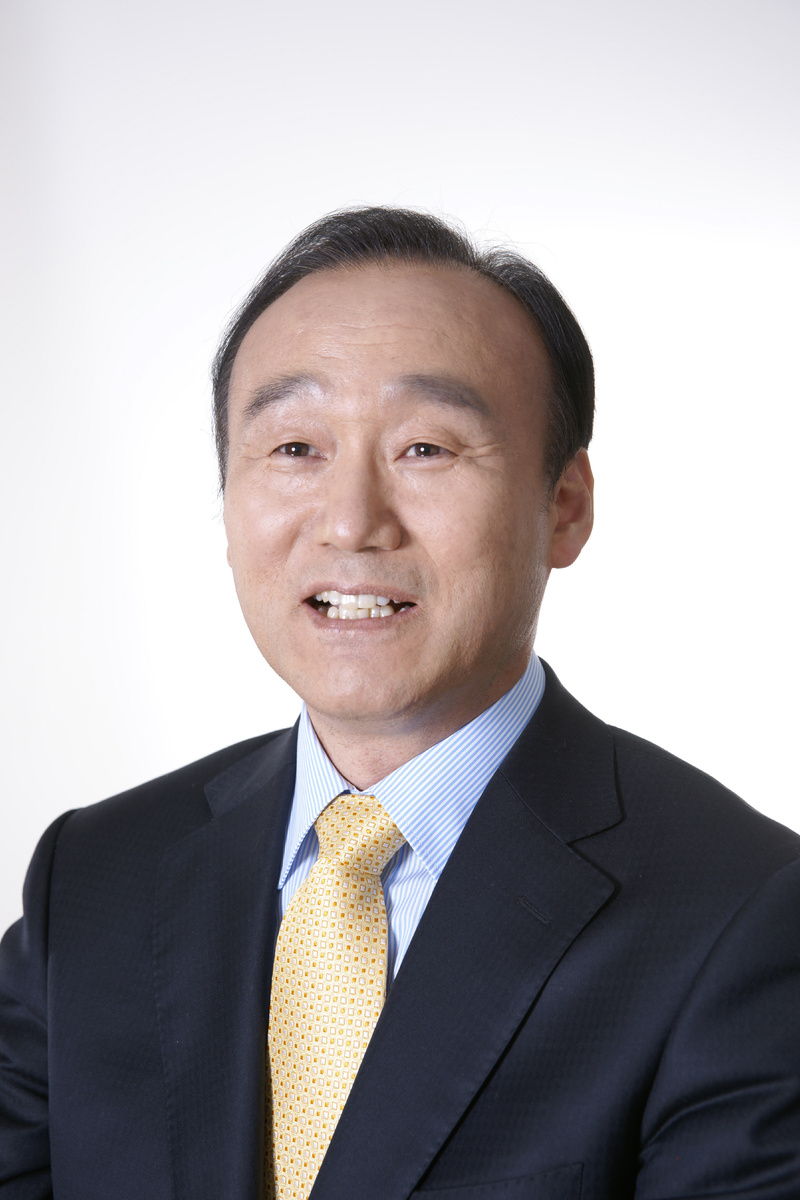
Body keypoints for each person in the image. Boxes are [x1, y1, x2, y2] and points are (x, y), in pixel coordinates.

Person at [1, 207, 798, 1200]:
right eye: (295, 447)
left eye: (426, 448)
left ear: (564, 505)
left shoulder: (743, 914)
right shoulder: (95, 878)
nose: (351, 522)